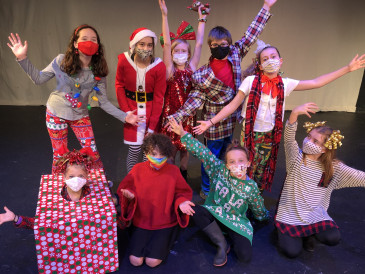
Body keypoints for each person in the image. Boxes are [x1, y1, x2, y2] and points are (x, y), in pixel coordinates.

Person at [193, 41, 365, 192]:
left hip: (270, 135)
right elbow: (233, 105)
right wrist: (210, 121)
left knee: (262, 170)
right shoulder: (250, 81)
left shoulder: (285, 83)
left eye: (273, 56)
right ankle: (241, 194)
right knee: (246, 166)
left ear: (280, 61)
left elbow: (316, 82)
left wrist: (347, 69)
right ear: (259, 65)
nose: (270, 61)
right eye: (265, 59)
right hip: (249, 133)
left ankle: (255, 196)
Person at [168, 0, 276, 198]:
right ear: (210, 46)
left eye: (224, 44)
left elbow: (251, 35)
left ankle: (224, 184)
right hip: (212, 124)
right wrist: (177, 115)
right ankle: (207, 189)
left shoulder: (235, 54)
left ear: (229, 44)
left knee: (229, 155)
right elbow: (194, 99)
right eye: (216, 45)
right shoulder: (201, 74)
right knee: (210, 157)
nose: (221, 48)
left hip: (232, 118)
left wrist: (266, 7)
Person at [7, 26, 142, 173]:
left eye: (93, 39)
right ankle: (59, 189)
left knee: (92, 154)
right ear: (75, 43)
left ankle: (99, 188)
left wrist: (125, 117)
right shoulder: (61, 61)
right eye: (84, 39)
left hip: (80, 115)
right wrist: (22, 58)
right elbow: (39, 79)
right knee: (60, 156)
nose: (89, 42)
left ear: (98, 46)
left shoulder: (99, 71)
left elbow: (103, 102)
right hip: (56, 114)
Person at [168, 117, 269, 266]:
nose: (237, 165)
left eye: (241, 161)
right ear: (226, 165)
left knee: (245, 256)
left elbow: (258, 206)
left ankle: (226, 235)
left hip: (235, 221)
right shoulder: (219, 169)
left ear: (248, 163)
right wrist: (183, 133)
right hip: (215, 214)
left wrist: (264, 217)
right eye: (232, 162)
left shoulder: (251, 187)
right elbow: (202, 152)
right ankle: (221, 243)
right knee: (196, 211)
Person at [274, 102, 365, 258]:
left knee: (333, 237)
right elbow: (289, 140)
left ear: (324, 149)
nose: (308, 141)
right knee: (292, 251)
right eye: (309, 137)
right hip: (290, 214)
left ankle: (309, 233)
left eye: (315, 141)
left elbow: (360, 177)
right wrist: (294, 114)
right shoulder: (296, 159)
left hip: (314, 214)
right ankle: (287, 232)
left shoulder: (334, 168)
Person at [117, 133, 193, 268]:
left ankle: (169, 238)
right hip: (142, 220)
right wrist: (129, 195)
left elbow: (182, 192)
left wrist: (182, 202)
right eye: (153, 153)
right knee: (136, 261)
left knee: (152, 262)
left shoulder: (174, 171)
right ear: (146, 152)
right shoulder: (137, 169)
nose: (158, 158)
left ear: (168, 154)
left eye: (162, 155)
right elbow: (125, 188)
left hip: (164, 221)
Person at [157, 0, 208, 179]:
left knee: (185, 149)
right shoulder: (169, 70)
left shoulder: (192, 68)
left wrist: (202, 20)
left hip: (188, 117)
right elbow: (166, 44)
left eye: (184, 51)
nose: (180, 53)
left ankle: (183, 174)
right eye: (176, 50)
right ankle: (169, 177)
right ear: (171, 54)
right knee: (170, 150)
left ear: (188, 53)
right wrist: (165, 15)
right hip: (171, 116)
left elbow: (200, 44)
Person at [0, 149, 95, 229]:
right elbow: (39, 224)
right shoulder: (56, 200)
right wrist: (15, 218)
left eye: (81, 176)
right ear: (64, 176)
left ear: (87, 176)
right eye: (71, 176)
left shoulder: (89, 193)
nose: (76, 180)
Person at [115, 27, 167, 173]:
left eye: (149, 45)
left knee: (149, 152)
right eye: (142, 44)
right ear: (134, 45)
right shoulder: (124, 61)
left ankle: (146, 180)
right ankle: (131, 181)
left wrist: (152, 126)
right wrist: (126, 112)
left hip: (151, 114)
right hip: (133, 112)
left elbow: (158, 97)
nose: (146, 48)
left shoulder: (159, 66)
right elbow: (119, 86)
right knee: (134, 149)